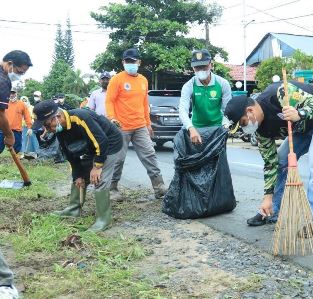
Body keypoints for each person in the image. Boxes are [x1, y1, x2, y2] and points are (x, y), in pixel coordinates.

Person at [224, 80, 313, 234]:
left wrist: (300, 113)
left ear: (250, 111)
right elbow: (270, 164)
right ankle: (272, 210)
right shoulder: (260, 132)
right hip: (303, 125)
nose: (244, 128)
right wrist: (267, 197)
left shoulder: (280, 93)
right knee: (282, 160)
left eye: (243, 123)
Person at [33, 100, 123, 232]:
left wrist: (97, 167)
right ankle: (74, 209)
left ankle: (104, 219)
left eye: (46, 125)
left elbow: (101, 141)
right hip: (92, 146)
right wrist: (78, 175)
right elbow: (69, 152)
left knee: (98, 179)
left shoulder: (81, 117)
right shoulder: (58, 128)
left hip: (109, 143)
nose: (46, 129)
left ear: (57, 117)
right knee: (80, 178)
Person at [106, 48, 166, 199]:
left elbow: (145, 103)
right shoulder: (117, 79)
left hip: (140, 125)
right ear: (123, 62)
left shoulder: (143, 80)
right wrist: (112, 118)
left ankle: (159, 186)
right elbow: (109, 101)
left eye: (133, 61)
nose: (130, 64)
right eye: (128, 61)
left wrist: (148, 123)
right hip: (121, 127)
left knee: (150, 155)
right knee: (118, 158)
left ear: (139, 62)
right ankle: (112, 188)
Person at [0, 49, 32, 299]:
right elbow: (0, 113)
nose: (19, 75)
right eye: (19, 70)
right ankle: (4, 283)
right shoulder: (2, 79)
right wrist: (9, 134)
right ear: (11, 64)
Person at [179, 49, 232, 143]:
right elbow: (183, 110)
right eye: (197, 67)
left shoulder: (223, 83)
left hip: (217, 128)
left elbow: (227, 110)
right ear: (193, 68)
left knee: (217, 157)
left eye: (204, 66)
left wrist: (225, 126)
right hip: (196, 129)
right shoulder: (189, 85)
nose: (201, 70)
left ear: (211, 64)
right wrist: (190, 128)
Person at [0, 89, 32, 154]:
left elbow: (27, 116)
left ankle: (15, 159)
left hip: (16, 130)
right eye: (10, 93)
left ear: (16, 93)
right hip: (4, 129)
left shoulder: (21, 104)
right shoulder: (3, 103)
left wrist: (29, 127)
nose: (11, 95)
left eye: (13, 93)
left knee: (17, 148)